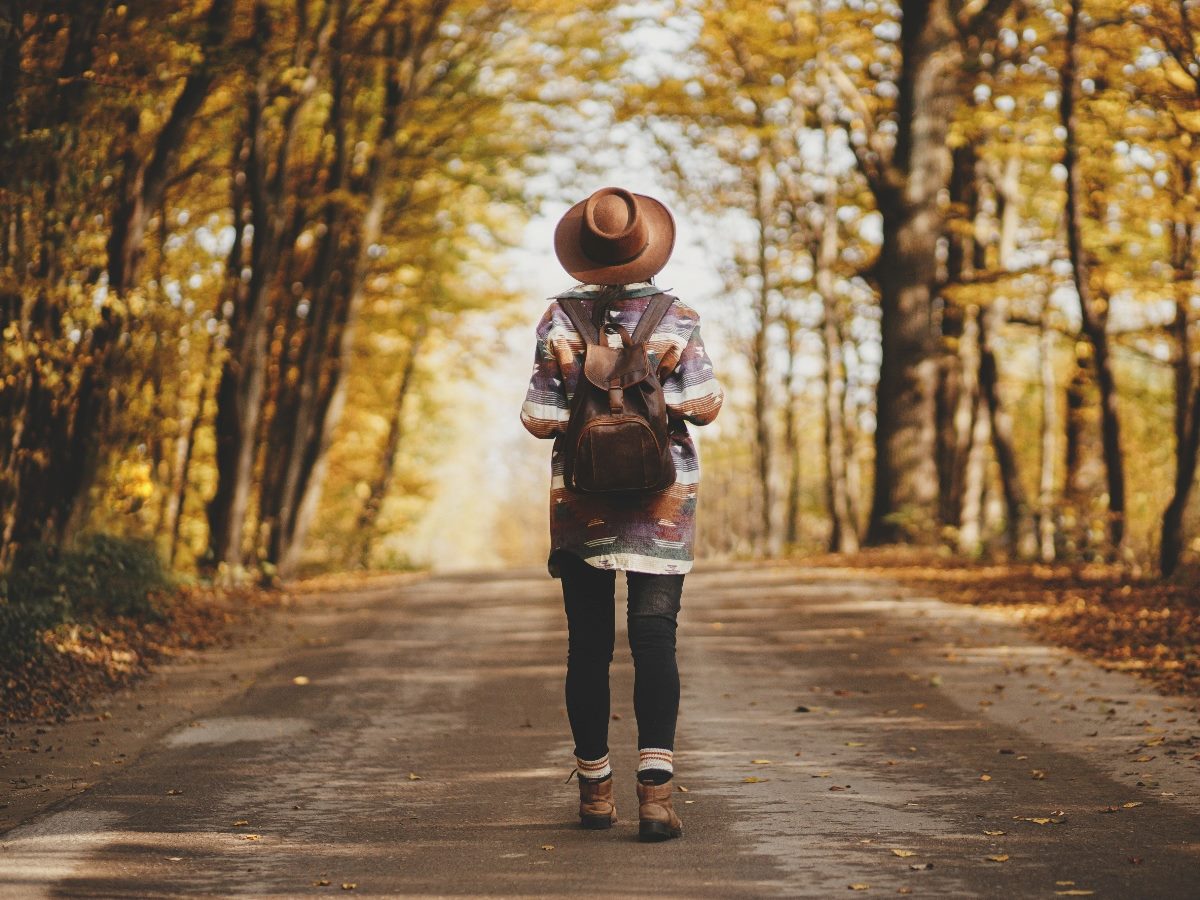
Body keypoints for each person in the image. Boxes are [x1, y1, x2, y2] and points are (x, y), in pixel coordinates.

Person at [519, 186, 724, 842]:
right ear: (646, 245)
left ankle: (594, 793)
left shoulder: (557, 317)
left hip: (581, 504)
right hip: (662, 502)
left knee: (588, 646)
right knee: (655, 640)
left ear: (584, 250)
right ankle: (657, 798)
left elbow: (540, 417)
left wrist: (584, 387)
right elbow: (705, 404)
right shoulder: (677, 315)